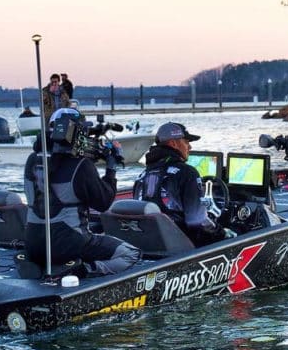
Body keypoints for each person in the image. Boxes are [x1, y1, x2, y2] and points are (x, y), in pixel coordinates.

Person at [24, 108, 140, 277]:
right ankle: (85, 270)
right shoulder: (81, 165)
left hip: (33, 243)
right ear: (78, 133)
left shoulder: (31, 160)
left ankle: (39, 267)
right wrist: (111, 168)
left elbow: (60, 171)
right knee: (131, 253)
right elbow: (103, 203)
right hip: (69, 244)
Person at [134, 121, 227, 247]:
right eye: (186, 142)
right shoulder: (187, 173)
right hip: (183, 249)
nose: (190, 147)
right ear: (174, 144)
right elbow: (197, 221)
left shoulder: (143, 175)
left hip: (150, 244)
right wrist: (222, 233)